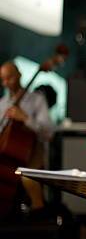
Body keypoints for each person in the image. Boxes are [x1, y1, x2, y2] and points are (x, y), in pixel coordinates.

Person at [0, 61, 54, 213]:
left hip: (31, 154)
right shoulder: (2, 104)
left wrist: (25, 118)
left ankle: (38, 212)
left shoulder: (37, 100)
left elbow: (48, 133)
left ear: (19, 75)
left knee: (28, 178)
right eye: (3, 79)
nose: (6, 83)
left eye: (9, 78)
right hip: (7, 158)